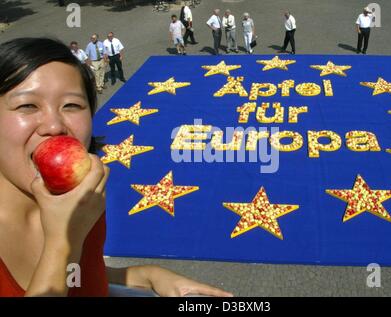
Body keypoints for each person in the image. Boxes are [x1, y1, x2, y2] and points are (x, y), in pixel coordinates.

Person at [0, 37, 233, 297]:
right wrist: (63, 240)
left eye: (72, 105)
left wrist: (149, 276)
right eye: (28, 105)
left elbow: (79, 276)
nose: (54, 126)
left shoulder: (80, 199)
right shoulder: (76, 213)